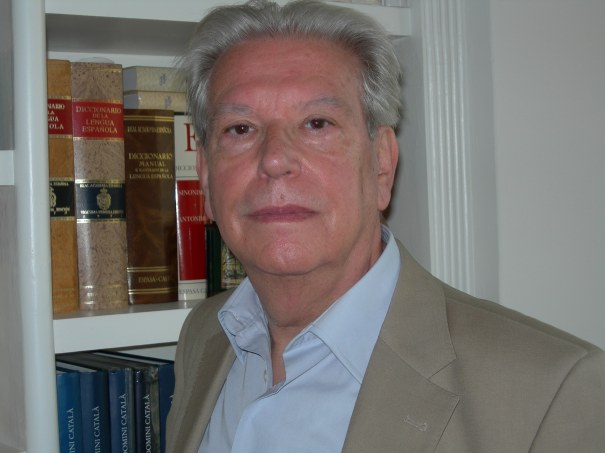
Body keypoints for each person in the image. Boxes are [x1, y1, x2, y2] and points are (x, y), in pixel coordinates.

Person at [166, 1, 605, 452]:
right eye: (240, 129)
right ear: (205, 178)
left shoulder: (551, 393)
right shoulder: (204, 335)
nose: (274, 159)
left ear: (381, 166)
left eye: (317, 124)